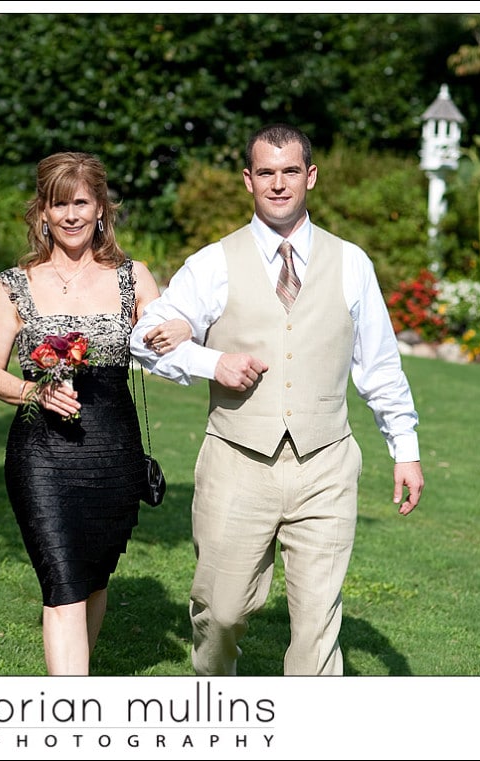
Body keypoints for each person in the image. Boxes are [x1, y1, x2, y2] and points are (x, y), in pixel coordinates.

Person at [130, 124, 425, 676]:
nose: (279, 184)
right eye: (266, 172)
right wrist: (210, 362)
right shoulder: (213, 264)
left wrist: (403, 447)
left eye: (290, 171)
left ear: (309, 176)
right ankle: (218, 707)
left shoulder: (352, 263)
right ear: (249, 180)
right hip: (237, 462)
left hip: (326, 464)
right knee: (219, 613)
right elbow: (144, 338)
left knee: (317, 629)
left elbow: (380, 365)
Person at [0, 151, 189, 675]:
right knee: (64, 585)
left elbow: (169, 349)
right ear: (42, 213)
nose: (70, 215)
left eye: (81, 202)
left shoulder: (134, 277)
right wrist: (36, 393)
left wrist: (185, 330)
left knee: (93, 578)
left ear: (101, 209)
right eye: (58, 204)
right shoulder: (14, 283)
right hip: (41, 454)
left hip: (114, 451)